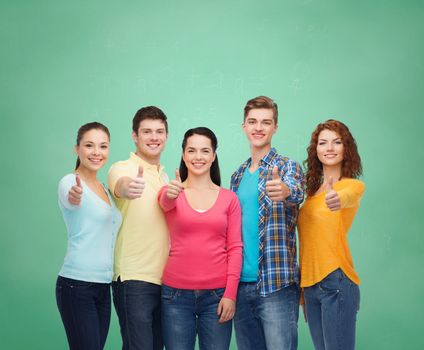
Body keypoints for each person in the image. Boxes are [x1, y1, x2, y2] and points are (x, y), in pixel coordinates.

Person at [158, 127, 243, 350]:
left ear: (213, 156)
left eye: (205, 151)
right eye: (192, 150)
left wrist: (230, 294)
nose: (198, 157)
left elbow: (235, 248)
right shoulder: (172, 191)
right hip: (175, 296)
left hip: (217, 296)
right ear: (184, 155)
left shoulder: (229, 198)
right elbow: (164, 202)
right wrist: (170, 194)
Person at [230, 96, 304, 350]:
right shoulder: (237, 175)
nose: (258, 128)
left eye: (266, 122)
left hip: (276, 285)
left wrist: (283, 190)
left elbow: (295, 191)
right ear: (244, 127)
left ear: (275, 128)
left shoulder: (287, 167)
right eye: (252, 122)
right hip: (240, 286)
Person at [297, 119, 365, 350]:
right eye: (323, 142)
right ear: (315, 149)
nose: (329, 148)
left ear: (346, 148)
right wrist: (304, 290)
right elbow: (307, 242)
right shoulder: (310, 192)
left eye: (337, 142)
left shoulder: (351, 186)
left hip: (336, 281)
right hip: (311, 286)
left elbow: (348, 197)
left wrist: (337, 198)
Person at [56, 122, 122, 350]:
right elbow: (69, 196)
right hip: (77, 285)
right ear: (77, 149)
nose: (96, 152)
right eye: (89, 145)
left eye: (103, 146)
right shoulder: (70, 182)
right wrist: (74, 195)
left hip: (103, 286)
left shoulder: (104, 189)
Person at [108, 106, 169, 350]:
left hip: (165, 280)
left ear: (166, 136)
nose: (154, 137)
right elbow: (120, 185)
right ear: (135, 136)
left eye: (159, 131)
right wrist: (128, 187)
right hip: (134, 279)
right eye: (147, 132)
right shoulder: (122, 168)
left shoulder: (166, 178)